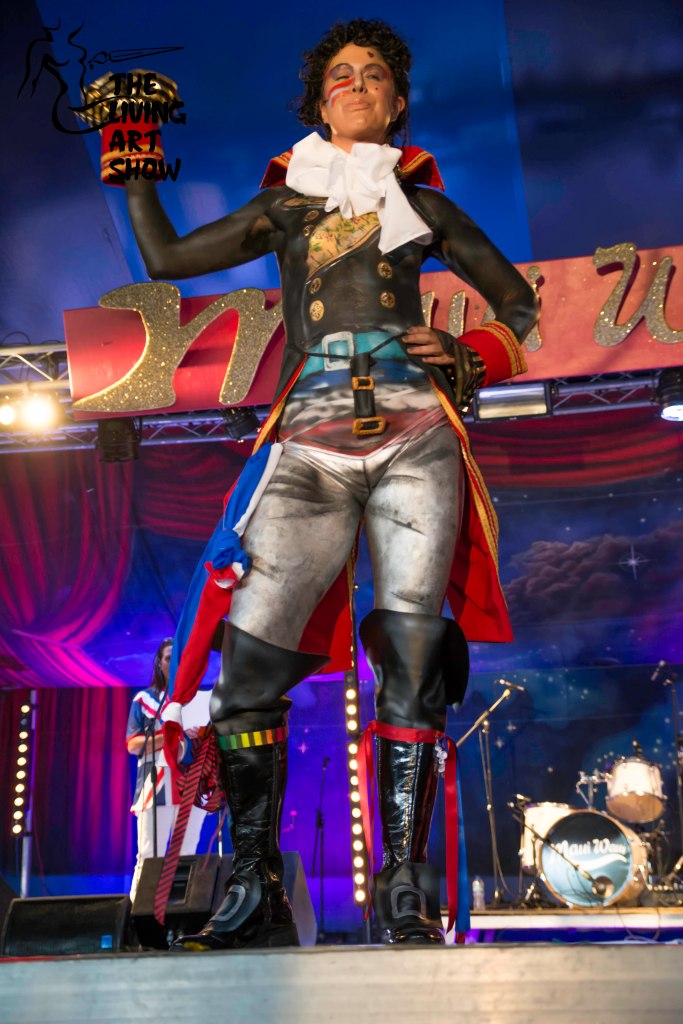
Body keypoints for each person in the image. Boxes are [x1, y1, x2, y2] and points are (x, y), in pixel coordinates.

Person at [111, 18, 538, 946]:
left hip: (415, 429)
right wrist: (131, 161)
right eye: (338, 74)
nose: (354, 83)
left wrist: (471, 352)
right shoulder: (285, 204)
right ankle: (255, 884)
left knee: (414, 658)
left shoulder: (422, 203)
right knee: (250, 667)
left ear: (395, 102)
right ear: (317, 102)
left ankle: (402, 889)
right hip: (307, 431)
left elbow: (518, 301)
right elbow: (167, 261)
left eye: (372, 74)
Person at [125, 638, 206, 900]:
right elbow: (133, 745)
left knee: (187, 857)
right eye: (169, 658)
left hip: (191, 784)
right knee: (150, 856)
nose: (174, 663)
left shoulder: (198, 700)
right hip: (156, 785)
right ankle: (138, 915)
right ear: (159, 664)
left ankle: (179, 914)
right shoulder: (145, 700)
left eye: (178, 657)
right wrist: (169, 736)